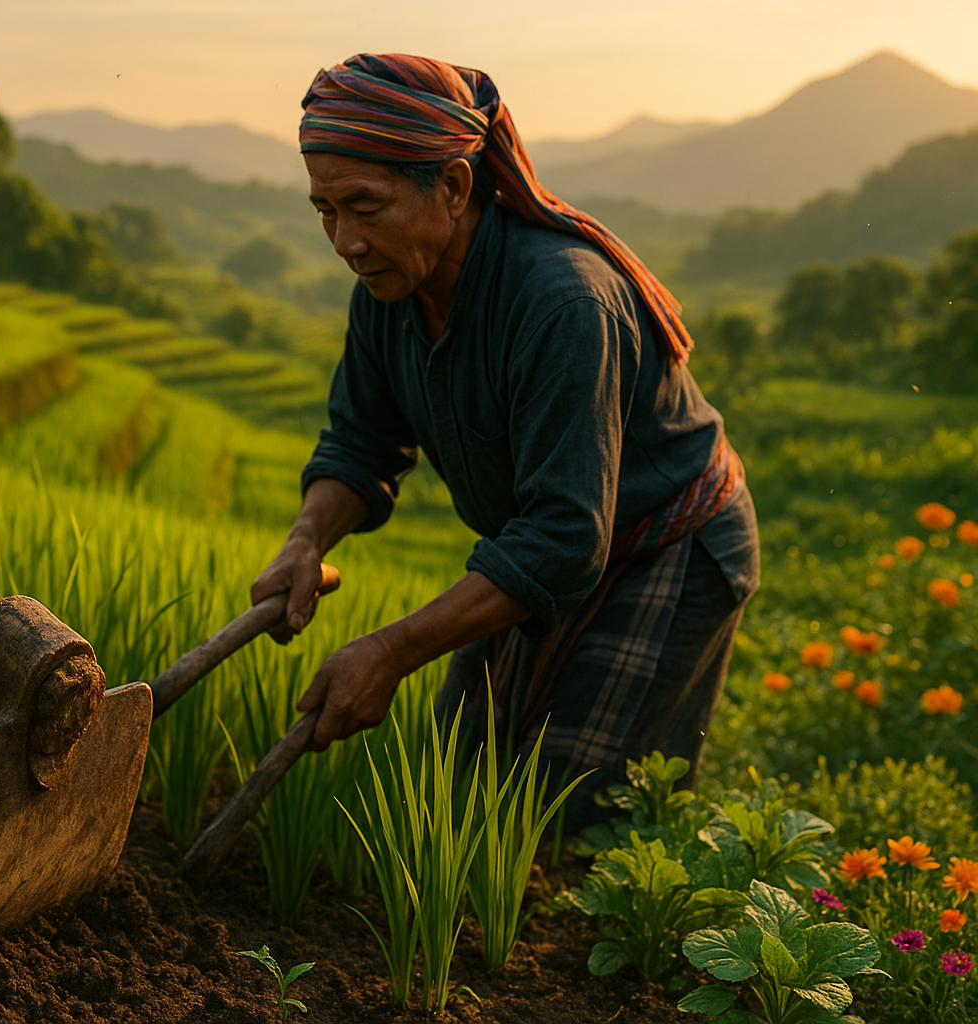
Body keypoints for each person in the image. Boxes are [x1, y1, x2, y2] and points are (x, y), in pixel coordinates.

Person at [251, 53, 759, 829]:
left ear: (453, 188)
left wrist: (387, 652)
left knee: (567, 813)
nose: (345, 241)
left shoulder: (561, 304)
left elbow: (563, 537)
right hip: (546, 539)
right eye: (325, 211)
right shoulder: (390, 289)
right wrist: (306, 538)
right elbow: (361, 447)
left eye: (366, 206)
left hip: (667, 545)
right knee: (460, 782)